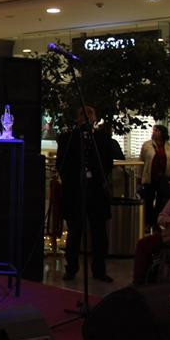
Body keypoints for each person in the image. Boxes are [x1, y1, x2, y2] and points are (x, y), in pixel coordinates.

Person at [56, 105, 114, 283]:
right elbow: (61, 163)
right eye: (83, 114)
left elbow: (108, 162)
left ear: (95, 118)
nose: (87, 117)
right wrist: (71, 180)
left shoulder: (102, 139)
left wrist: (99, 178)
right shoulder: (68, 138)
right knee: (75, 231)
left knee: (99, 233)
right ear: (77, 118)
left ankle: (99, 269)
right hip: (76, 190)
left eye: (90, 114)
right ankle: (71, 268)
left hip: (96, 190)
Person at [139, 124, 170, 229]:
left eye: (156, 130)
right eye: (153, 130)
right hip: (150, 177)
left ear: (162, 133)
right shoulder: (147, 145)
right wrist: (140, 176)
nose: (153, 132)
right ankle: (148, 222)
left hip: (164, 178)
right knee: (148, 200)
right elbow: (141, 161)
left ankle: (157, 222)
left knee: (161, 201)